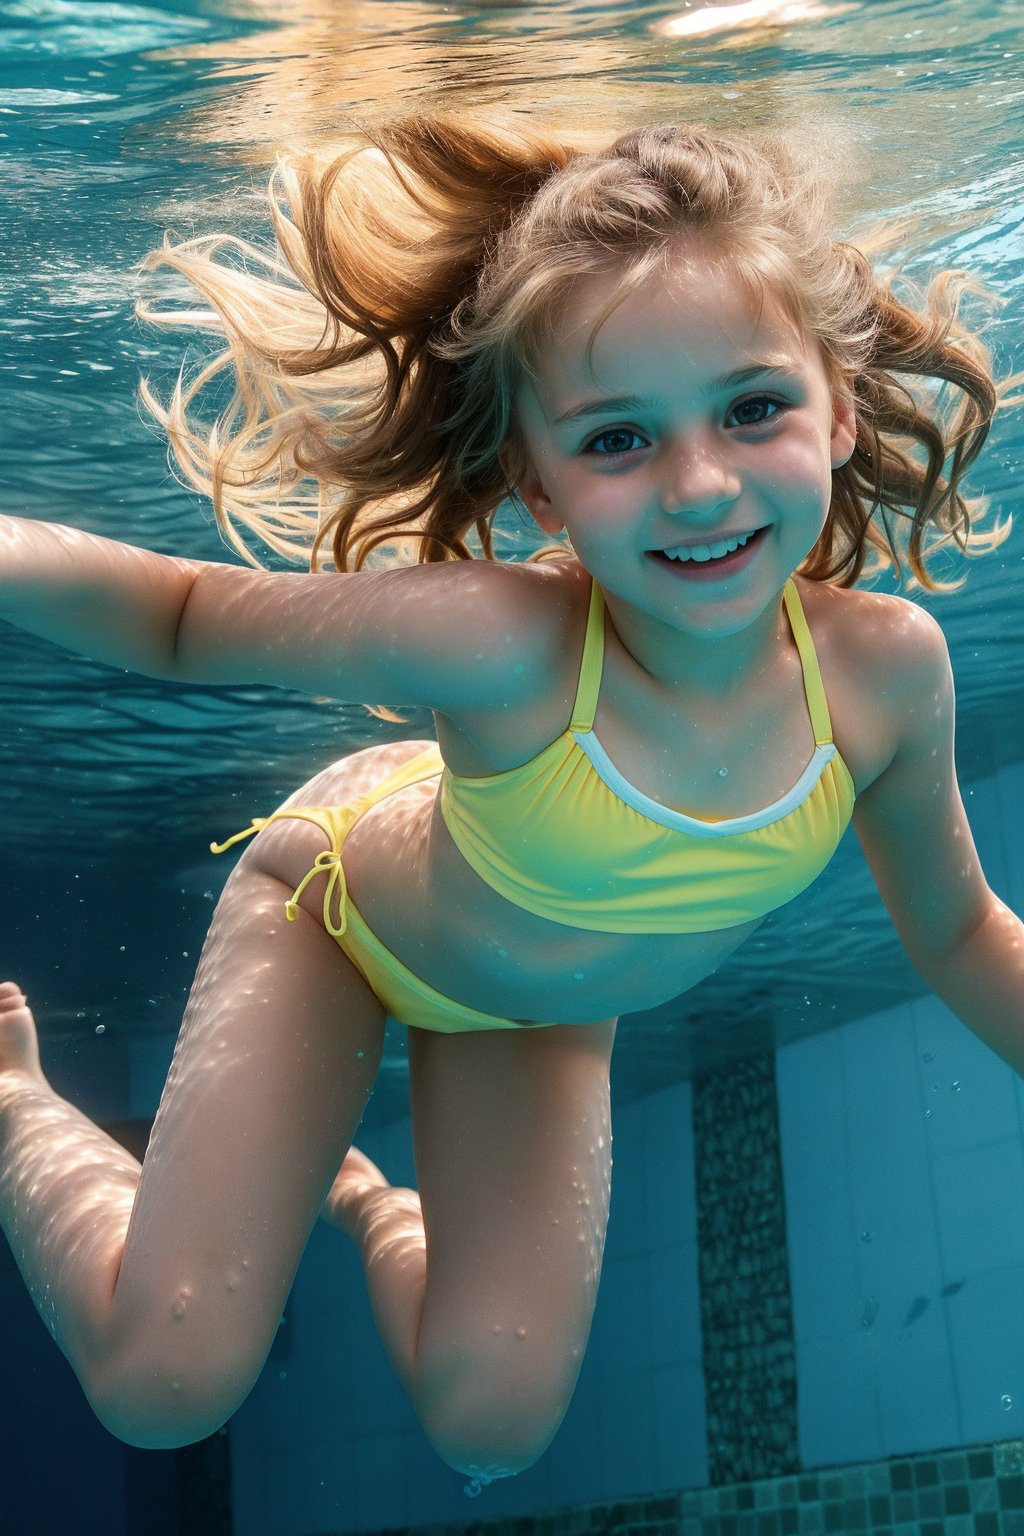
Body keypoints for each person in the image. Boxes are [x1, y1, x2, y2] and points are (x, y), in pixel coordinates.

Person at [1, 113, 1022, 1490]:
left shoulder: (886, 679)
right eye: (618, 438)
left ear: (838, 404)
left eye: (753, 406)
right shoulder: (503, 643)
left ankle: (371, 1212)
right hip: (342, 914)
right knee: (164, 1381)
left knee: (491, 1426)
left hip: (535, 1010)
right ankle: (11, 1099)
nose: (700, 483)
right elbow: (184, 617)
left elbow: (960, 935)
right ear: (538, 484)